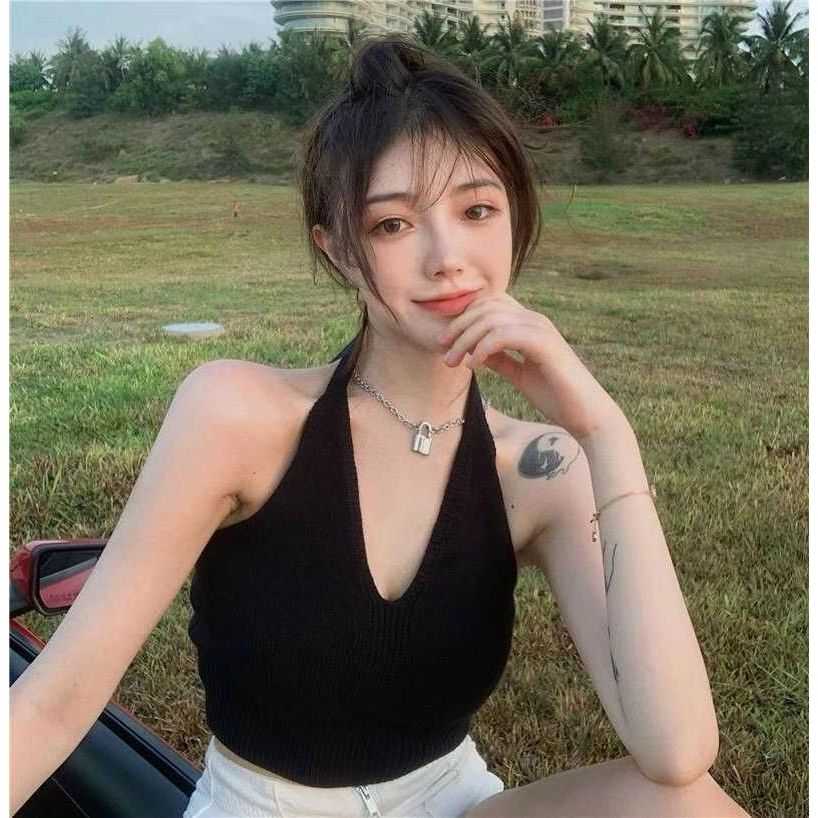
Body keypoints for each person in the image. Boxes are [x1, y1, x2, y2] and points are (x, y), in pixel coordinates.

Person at [9, 34, 753, 818]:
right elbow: (56, 702)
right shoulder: (239, 417)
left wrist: (605, 433)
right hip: (265, 807)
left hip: (450, 799)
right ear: (336, 249)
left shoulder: (540, 469)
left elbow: (675, 753)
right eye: (393, 224)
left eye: (477, 210)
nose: (447, 257)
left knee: (683, 805)